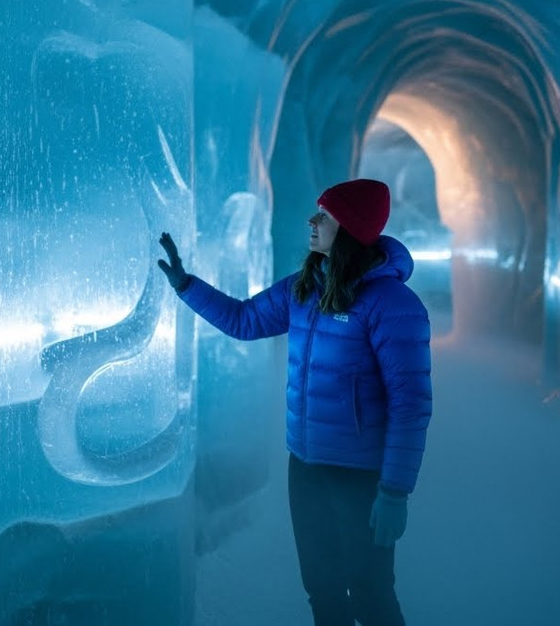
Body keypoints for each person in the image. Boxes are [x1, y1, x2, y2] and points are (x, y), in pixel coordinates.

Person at [157, 178, 431, 626]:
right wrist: (187, 285)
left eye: (325, 215)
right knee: (322, 592)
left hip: (361, 477)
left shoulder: (392, 304)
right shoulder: (303, 289)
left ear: (350, 228)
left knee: (371, 596)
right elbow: (244, 320)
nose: (312, 220)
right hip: (305, 468)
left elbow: (411, 404)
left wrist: (395, 492)